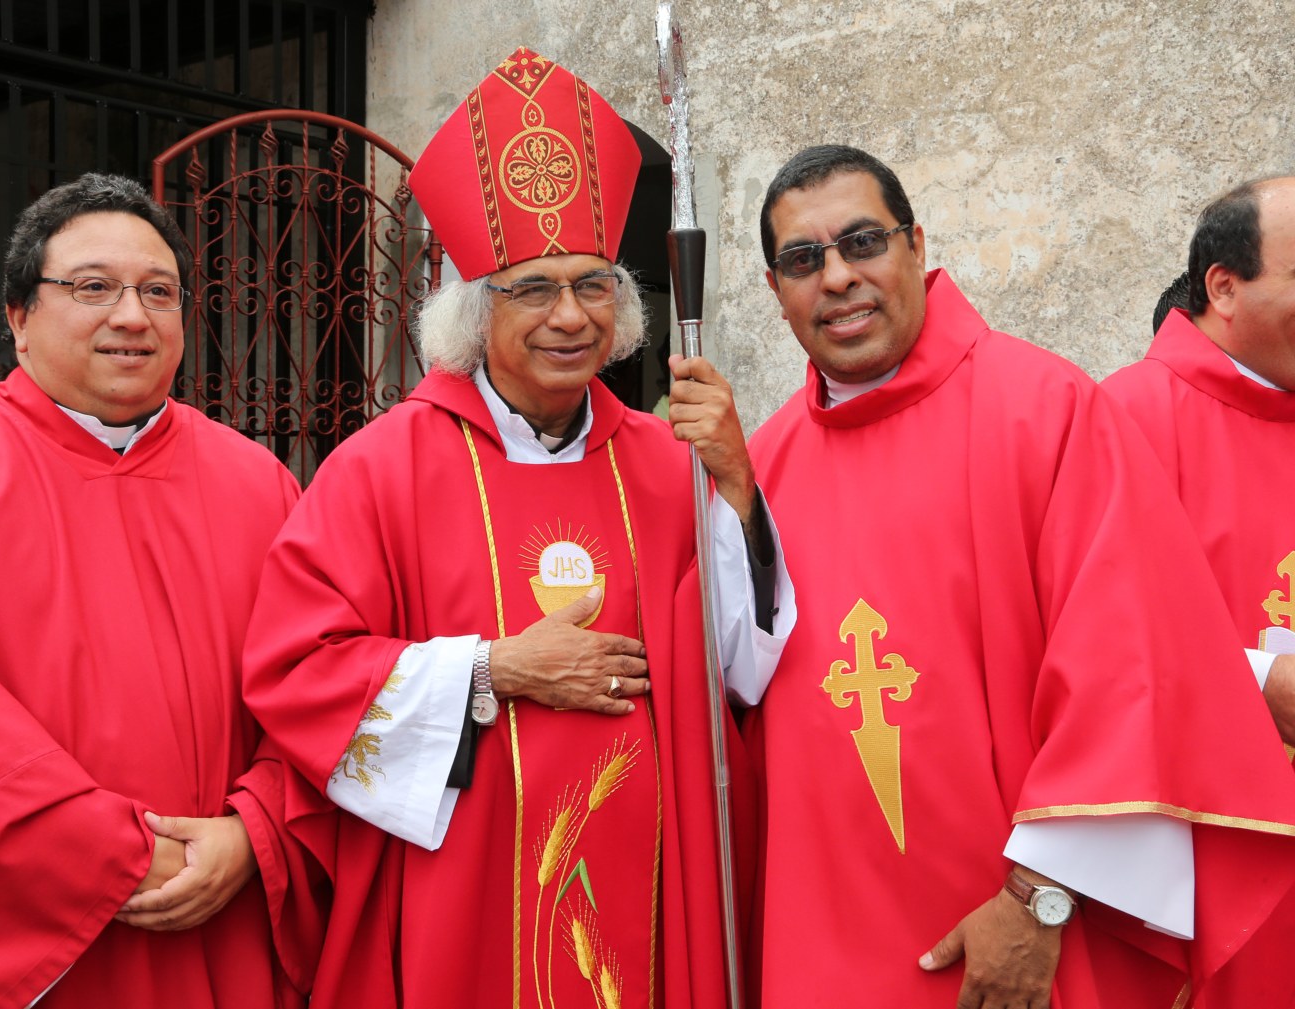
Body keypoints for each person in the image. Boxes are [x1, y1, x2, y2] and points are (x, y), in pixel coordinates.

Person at [242, 47, 793, 1009]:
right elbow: (296, 672)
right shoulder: (382, 469)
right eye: (534, 287)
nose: (570, 316)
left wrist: (737, 488)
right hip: (463, 897)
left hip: (649, 896)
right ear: (472, 308)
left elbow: (742, 674)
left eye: (593, 285)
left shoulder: (668, 465)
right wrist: (494, 669)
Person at [744, 145, 1295, 1007]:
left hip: (1028, 930)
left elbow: (1127, 673)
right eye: (804, 259)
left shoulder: (1047, 411)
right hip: (831, 938)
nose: (839, 276)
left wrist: (1037, 900)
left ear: (916, 245)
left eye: (864, 242)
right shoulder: (761, 468)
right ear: (776, 290)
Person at [0, 173, 326, 1008]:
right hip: (34, 938)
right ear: (18, 317)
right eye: (92, 287)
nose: (132, 315)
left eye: (159, 291)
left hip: (223, 909)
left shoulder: (261, 485)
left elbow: (320, 682)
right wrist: (112, 851)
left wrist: (254, 827)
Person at [1103, 175, 1295, 1006]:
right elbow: (1098, 636)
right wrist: (1260, 680)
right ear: (1223, 286)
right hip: (1209, 862)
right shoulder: (1126, 416)